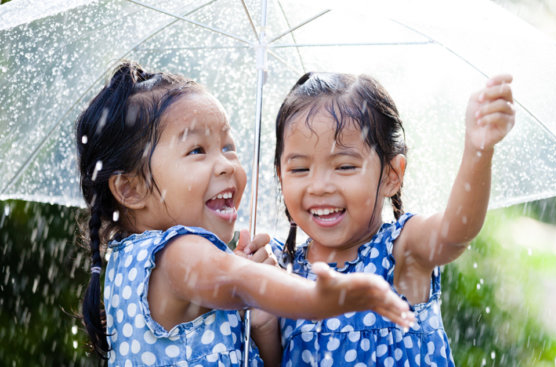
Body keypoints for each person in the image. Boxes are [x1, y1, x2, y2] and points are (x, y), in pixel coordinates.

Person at [75, 61, 414, 367]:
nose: (225, 165)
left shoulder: (132, 261)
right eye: (197, 150)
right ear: (130, 189)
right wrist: (319, 294)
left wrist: (262, 319)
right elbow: (241, 282)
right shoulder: (177, 252)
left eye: (228, 147)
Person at [271, 72, 515, 366]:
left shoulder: (401, 251)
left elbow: (455, 232)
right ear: (279, 174)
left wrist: (478, 149)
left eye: (345, 166)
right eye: (299, 169)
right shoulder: (279, 270)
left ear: (391, 175)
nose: (320, 186)